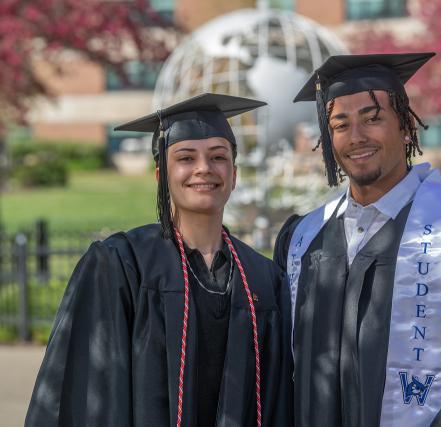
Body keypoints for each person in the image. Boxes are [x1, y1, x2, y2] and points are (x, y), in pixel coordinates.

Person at [274, 53, 441, 427]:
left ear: (405, 127)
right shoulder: (304, 242)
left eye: (373, 118)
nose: (357, 137)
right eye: (341, 124)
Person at [26, 93, 292, 427]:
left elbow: (280, 402)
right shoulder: (122, 266)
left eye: (217, 156)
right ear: (160, 176)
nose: (203, 168)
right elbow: (83, 392)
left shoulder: (263, 278)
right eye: (185, 157)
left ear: (234, 174)